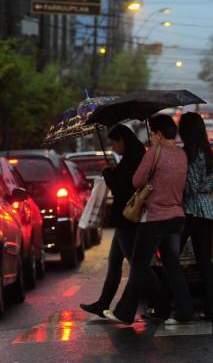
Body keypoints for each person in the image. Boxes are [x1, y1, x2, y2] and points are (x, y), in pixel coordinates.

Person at [103, 114, 194, 325]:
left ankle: (124, 312)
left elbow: (136, 181)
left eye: (152, 133)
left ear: (160, 134)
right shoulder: (181, 154)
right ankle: (183, 311)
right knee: (172, 266)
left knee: (138, 265)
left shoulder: (154, 152)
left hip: (155, 218)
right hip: (176, 217)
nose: (151, 137)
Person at [80, 124, 145, 317]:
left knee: (137, 265)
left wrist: (108, 172)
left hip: (128, 218)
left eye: (114, 143)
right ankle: (103, 303)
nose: (113, 148)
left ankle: (160, 297)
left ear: (122, 140)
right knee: (115, 261)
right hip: (123, 219)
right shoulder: (131, 158)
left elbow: (121, 189)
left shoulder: (134, 159)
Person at [178, 112, 213, 322]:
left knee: (171, 259)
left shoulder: (189, 154)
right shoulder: (207, 152)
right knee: (205, 263)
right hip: (207, 210)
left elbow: (190, 187)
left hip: (190, 211)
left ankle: (179, 307)